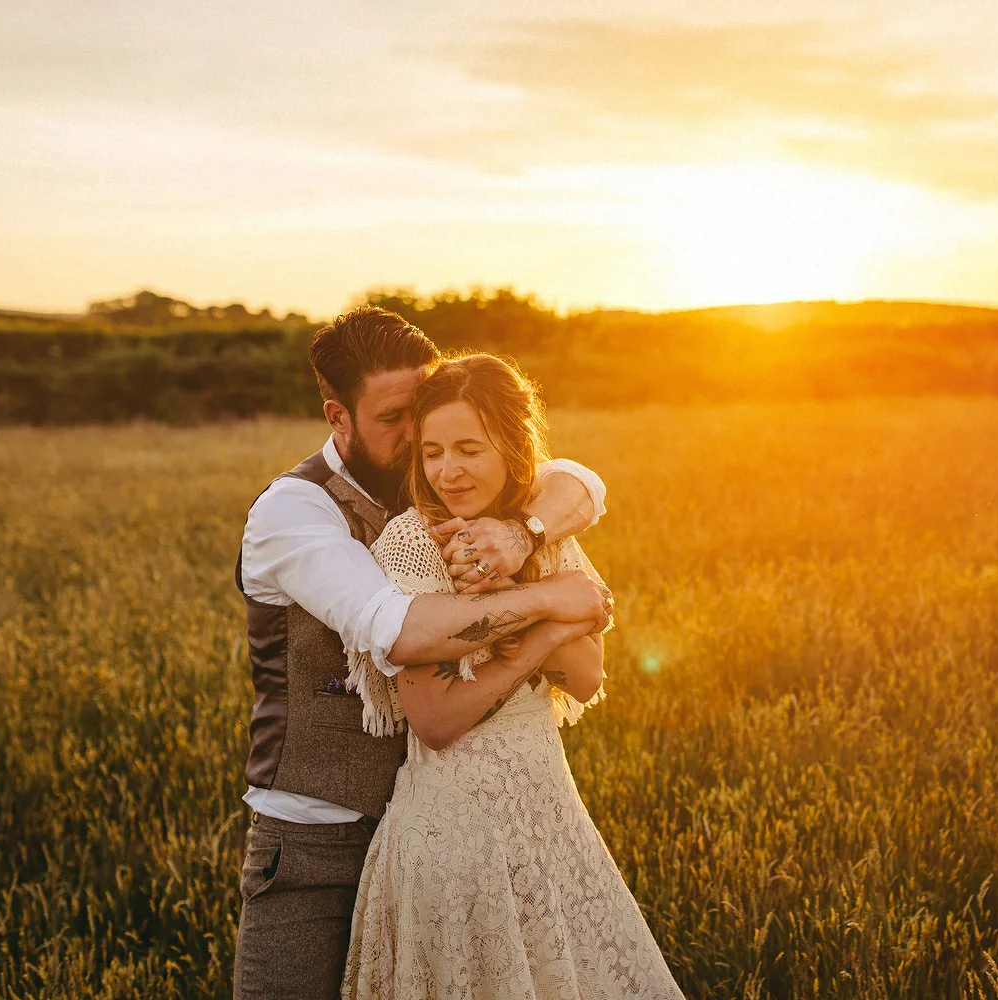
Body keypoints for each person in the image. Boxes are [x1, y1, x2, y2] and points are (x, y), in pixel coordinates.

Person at [234, 307, 614, 1000]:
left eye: (430, 411)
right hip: (316, 838)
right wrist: (552, 603)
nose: (421, 441)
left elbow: (581, 480)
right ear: (338, 417)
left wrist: (523, 534)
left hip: (444, 827)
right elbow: (401, 631)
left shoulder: (467, 485)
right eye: (396, 417)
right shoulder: (294, 511)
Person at [341, 353, 684, 999]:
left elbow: (587, 677)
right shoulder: (412, 542)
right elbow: (436, 719)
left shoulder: (533, 534)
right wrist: (546, 623)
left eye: (469, 448)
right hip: (455, 838)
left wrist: (522, 586)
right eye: (435, 451)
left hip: (549, 819)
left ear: (511, 444)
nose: (449, 470)